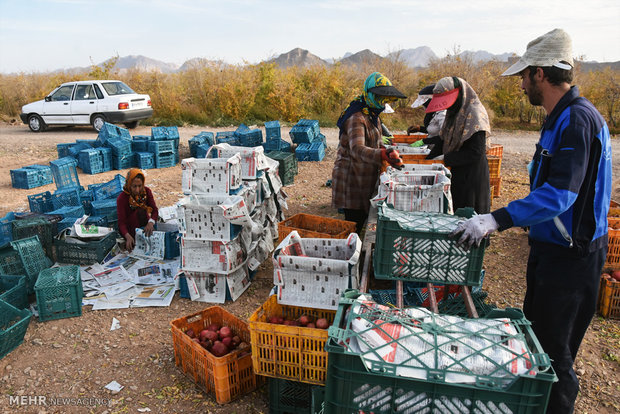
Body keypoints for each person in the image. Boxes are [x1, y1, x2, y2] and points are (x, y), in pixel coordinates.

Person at [451, 28, 612, 414]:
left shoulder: (577, 120)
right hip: (552, 251)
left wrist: (497, 219)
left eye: (525, 75)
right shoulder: (560, 118)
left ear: (541, 74)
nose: (521, 83)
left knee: (555, 355)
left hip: (572, 258)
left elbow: (562, 194)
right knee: (539, 342)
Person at [332, 72, 407, 234]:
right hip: (351, 177)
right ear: (369, 93)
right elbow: (357, 149)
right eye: (379, 97)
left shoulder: (372, 114)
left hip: (364, 174)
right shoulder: (357, 117)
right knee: (354, 224)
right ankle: (350, 255)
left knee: (364, 217)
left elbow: (377, 140)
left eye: (384, 98)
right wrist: (381, 155)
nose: (382, 102)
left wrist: (388, 150)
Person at [410, 77, 492, 214]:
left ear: (459, 93)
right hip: (457, 169)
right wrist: (428, 161)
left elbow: (476, 152)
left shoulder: (474, 112)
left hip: (472, 174)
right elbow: (443, 139)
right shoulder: (454, 112)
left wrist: (445, 158)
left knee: (470, 212)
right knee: (457, 208)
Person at [117, 168, 159, 252]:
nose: (137, 190)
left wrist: (151, 222)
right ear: (129, 184)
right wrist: (127, 236)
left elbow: (154, 210)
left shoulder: (146, 192)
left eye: (140, 186)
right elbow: (121, 223)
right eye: (134, 186)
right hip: (131, 232)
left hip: (146, 228)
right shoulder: (122, 198)